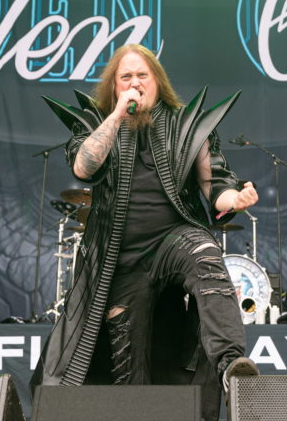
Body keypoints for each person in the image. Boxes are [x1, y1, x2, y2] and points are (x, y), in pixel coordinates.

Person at [35, 44, 260, 420]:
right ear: (114, 86)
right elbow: (84, 167)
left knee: (205, 253)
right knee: (129, 370)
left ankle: (231, 366)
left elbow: (214, 184)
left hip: (173, 240)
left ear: (158, 81)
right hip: (120, 260)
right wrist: (117, 116)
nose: (135, 83)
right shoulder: (96, 122)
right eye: (125, 77)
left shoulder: (186, 126)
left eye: (142, 75)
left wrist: (234, 198)